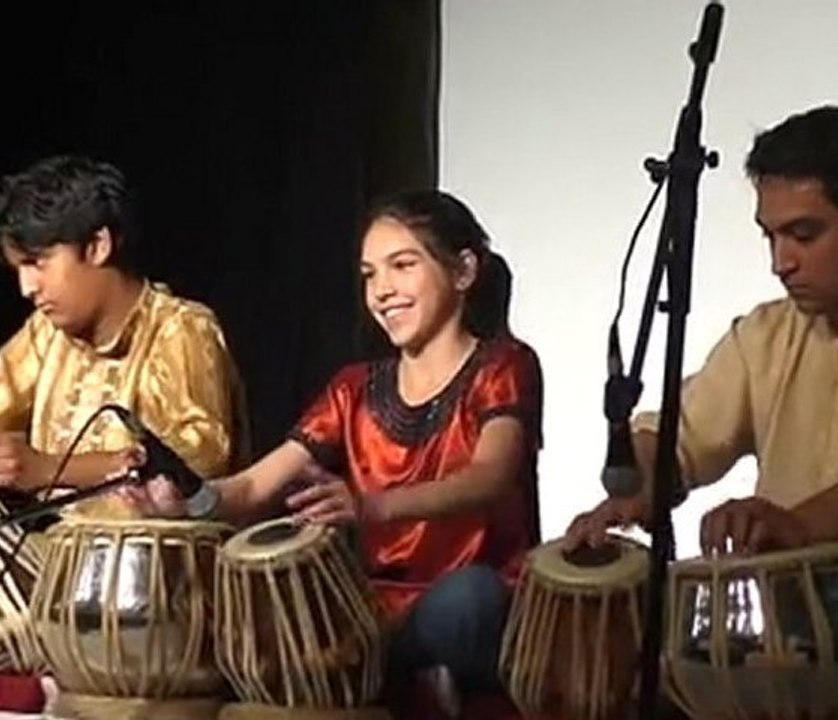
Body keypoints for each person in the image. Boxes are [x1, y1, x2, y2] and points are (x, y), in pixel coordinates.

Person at [123, 189, 543, 714]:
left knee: (470, 602)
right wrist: (184, 503)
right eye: (369, 275)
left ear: (463, 271)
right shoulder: (353, 388)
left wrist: (370, 507)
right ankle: (400, 671)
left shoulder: (504, 366)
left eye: (402, 265)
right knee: (247, 604)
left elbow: (490, 476)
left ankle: (385, 669)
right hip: (369, 607)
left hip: (468, 597)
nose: (382, 290)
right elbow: (252, 487)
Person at [567, 104, 838, 556]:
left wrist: (798, 525)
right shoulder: (763, 338)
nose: (781, 263)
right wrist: (639, 481)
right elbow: (679, 436)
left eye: (804, 235)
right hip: (788, 600)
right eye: (770, 237)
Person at [0, 154, 249, 516]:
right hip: (56, 547)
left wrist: (49, 469)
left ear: (98, 245)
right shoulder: (45, 335)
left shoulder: (179, 328)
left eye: (37, 262)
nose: (26, 287)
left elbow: (200, 457)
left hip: (157, 550)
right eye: (19, 269)